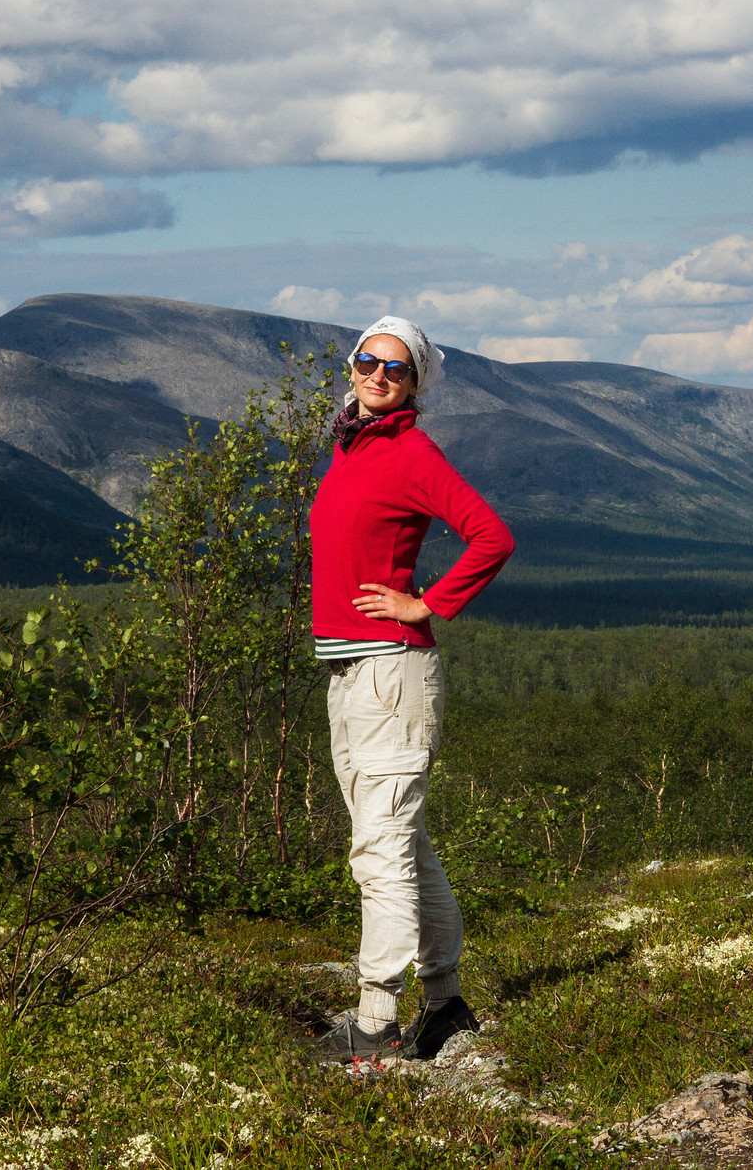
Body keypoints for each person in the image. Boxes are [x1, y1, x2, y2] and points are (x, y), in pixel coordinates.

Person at [309, 315, 514, 1063]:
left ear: (414, 382)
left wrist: (426, 602)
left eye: (396, 368)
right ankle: (446, 1005)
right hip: (351, 670)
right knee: (406, 842)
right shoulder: (350, 444)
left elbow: (491, 535)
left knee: (381, 847)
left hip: (391, 671)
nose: (377, 373)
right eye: (367, 359)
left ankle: (373, 1021)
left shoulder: (411, 451)